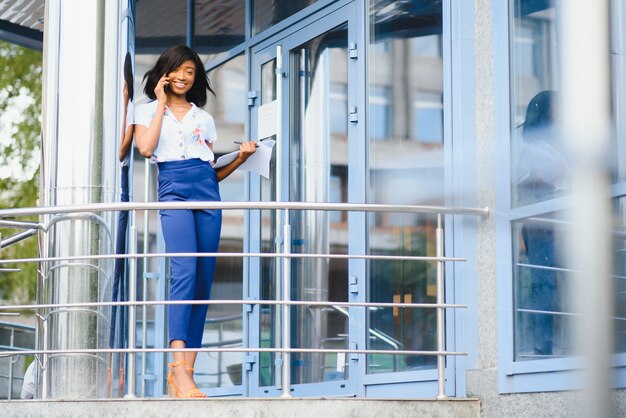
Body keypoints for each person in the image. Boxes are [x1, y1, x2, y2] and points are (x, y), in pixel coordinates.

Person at [134, 45, 256, 398]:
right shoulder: (145, 111)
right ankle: (176, 367)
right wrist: (159, 102)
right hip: (172, 188)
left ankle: (186, 373)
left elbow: (212, 173)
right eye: (179, 70)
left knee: (202, 282)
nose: (185, 77)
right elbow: (145, 149)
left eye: (191, 71)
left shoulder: (204, 118)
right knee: (184, 271)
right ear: (165, 73)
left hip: (207, 191)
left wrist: (242, 158)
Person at [516, 90, 569, 356]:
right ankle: (542, 347)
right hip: (544, 226)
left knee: (565, 283)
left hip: (561, 224)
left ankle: (560, 344)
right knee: (544, 286)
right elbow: (529, 184)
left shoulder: (555, 146)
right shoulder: (532, 150)